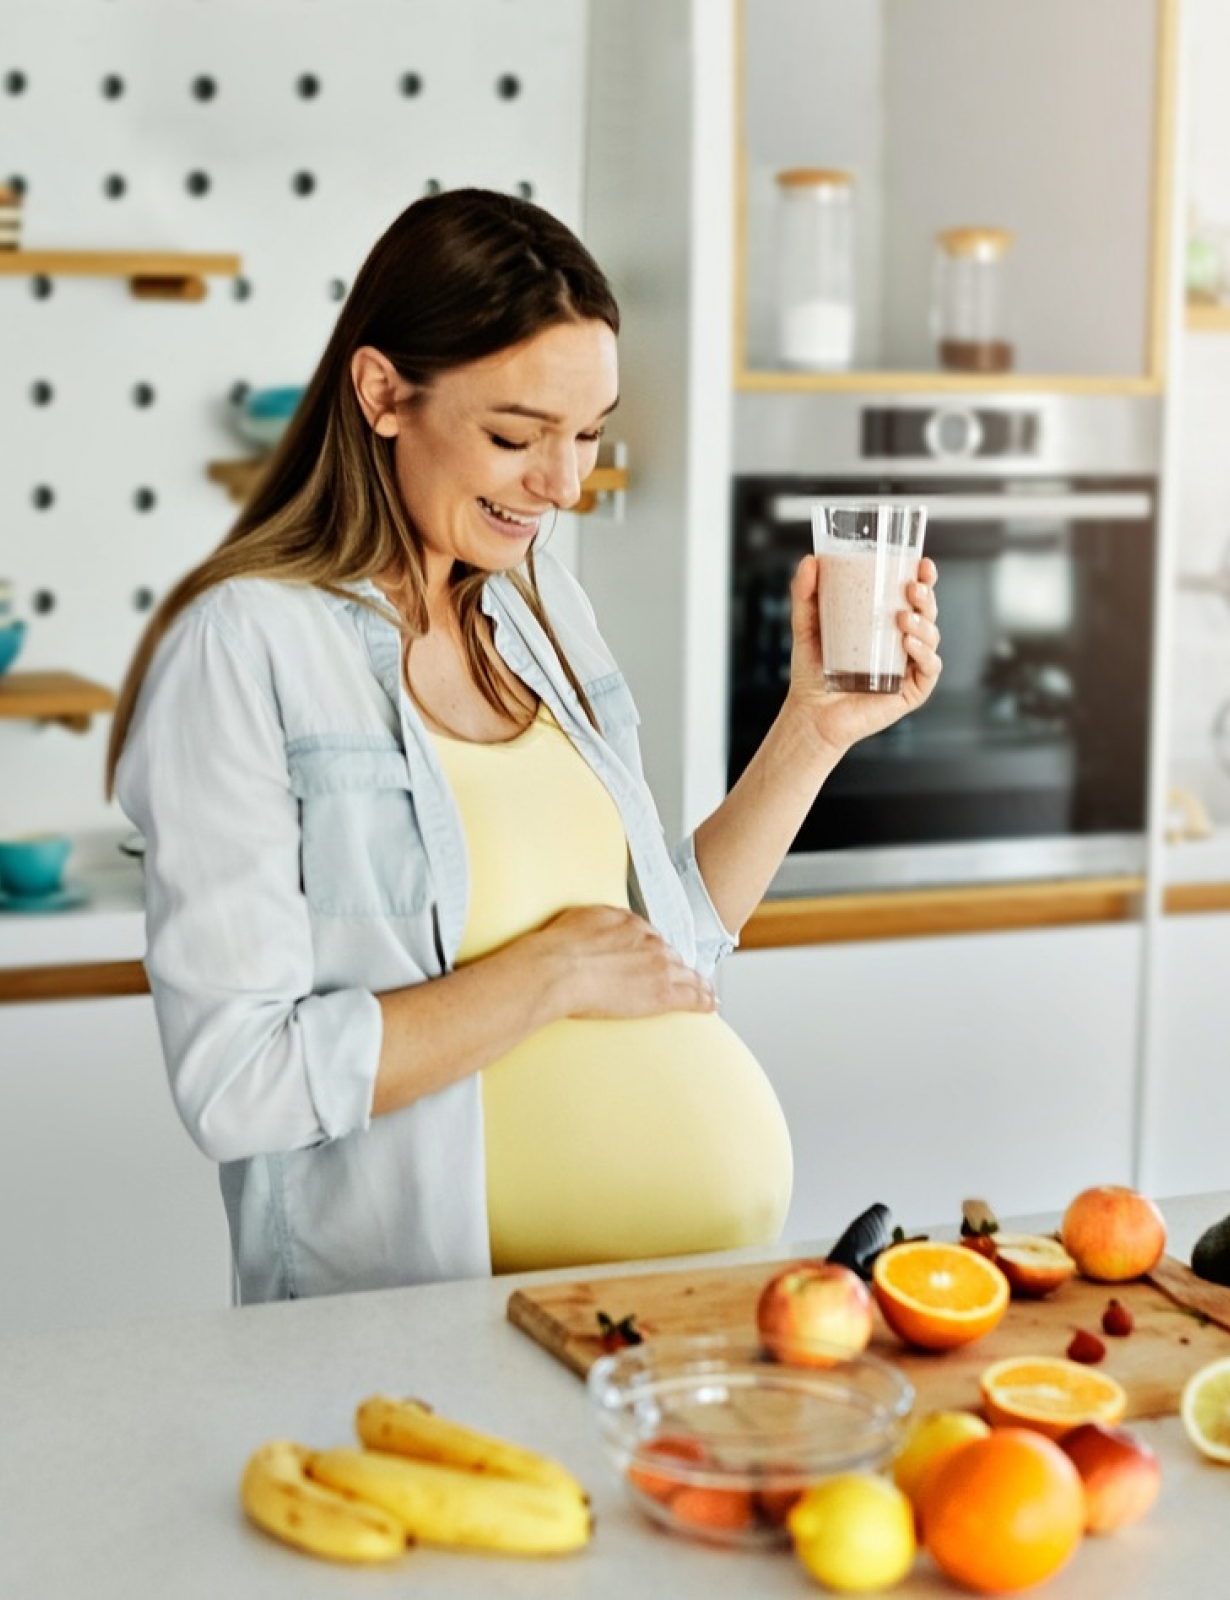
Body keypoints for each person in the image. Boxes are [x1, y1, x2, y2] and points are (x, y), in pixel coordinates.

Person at [105, 188, 941, 1304]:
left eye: (589, 433)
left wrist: (812, 728)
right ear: (382, 392)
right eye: (516, 434)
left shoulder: (539, 604)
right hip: (426, 1330)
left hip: (665, 1305)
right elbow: (237, 1085)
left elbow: (666, 956)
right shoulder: (246, 644)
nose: (563, 483)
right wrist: (541, 976)